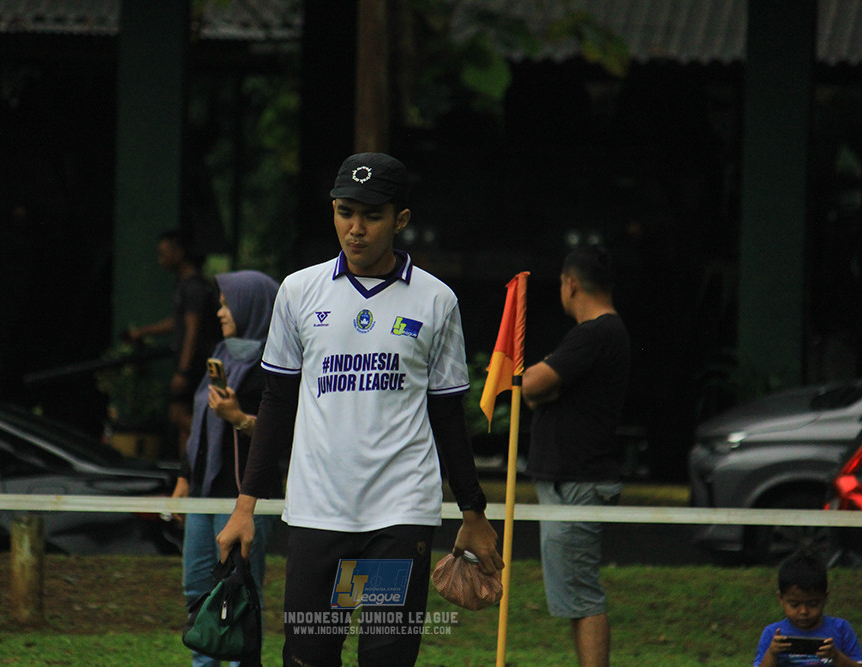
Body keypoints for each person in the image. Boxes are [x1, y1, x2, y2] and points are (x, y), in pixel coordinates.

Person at [217, 152, 503, 667]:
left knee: (384, 659)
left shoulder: (436, 301)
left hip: (395, 519)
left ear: (401, 220)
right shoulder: (299, 292)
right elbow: (278, 403)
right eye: (345, 211)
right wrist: (245, 507)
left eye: (372, 216)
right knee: (309, 656)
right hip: (318, 513)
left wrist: (474, 511)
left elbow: (446, 415)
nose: (356, 228)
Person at [521, 244, 630, 667]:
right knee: (575, 594)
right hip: (575, 482)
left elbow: (530, 385)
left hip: (577, 484)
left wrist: (543, 378)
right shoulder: (606, 334)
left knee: (582, 596)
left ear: (570, 284)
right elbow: (540, 391)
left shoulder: (594, 333)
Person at [173, 269, 282, 667]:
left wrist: (238, 417)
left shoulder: (276, 364)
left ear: (251, 305)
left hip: (244, 495)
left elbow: (283, 435)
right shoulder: (220, 354)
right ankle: (203, 662)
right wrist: (184, 479)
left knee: (239, 590)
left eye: (227, 303)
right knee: (196, 588)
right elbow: (200, 424)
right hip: (204, 493)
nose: (220, 311)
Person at [126, 229, 222, 457]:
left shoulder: (194, 287)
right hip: (194, 365)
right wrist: (143, 332)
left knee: (182, 416)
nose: (161, 259)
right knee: (180, 420)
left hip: (196, 365)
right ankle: (186, 477)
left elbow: (192, 330)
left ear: (179, 252)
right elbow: (180, 322)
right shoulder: (185, 286)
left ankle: (218, 445)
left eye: (164, 252)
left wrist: (183, 370)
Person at [753, 552, 862, 667]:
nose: (803, 612)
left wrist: (836, 656)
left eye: (812, 604)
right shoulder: (772, 633)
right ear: (781, 599)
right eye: (794, 605)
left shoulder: (841, 629)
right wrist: (772, 653)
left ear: (824, 598)